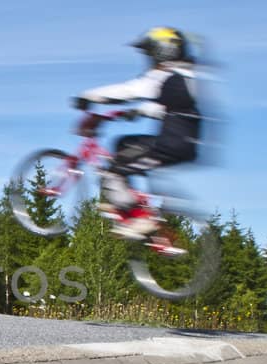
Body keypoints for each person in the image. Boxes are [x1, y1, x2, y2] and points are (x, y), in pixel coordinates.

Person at [73, 26, 204, 242]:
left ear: (164, 51)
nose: (149, 59)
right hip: (182, 143)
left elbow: (130, 90)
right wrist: (137, 111)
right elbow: (166, 107)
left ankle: (140, 217)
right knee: (124, 144)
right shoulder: (185, 77)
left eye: (150, 53)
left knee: (113, 172)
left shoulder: (166, 76)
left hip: (169, 145)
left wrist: (90, 96)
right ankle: (131, 204)